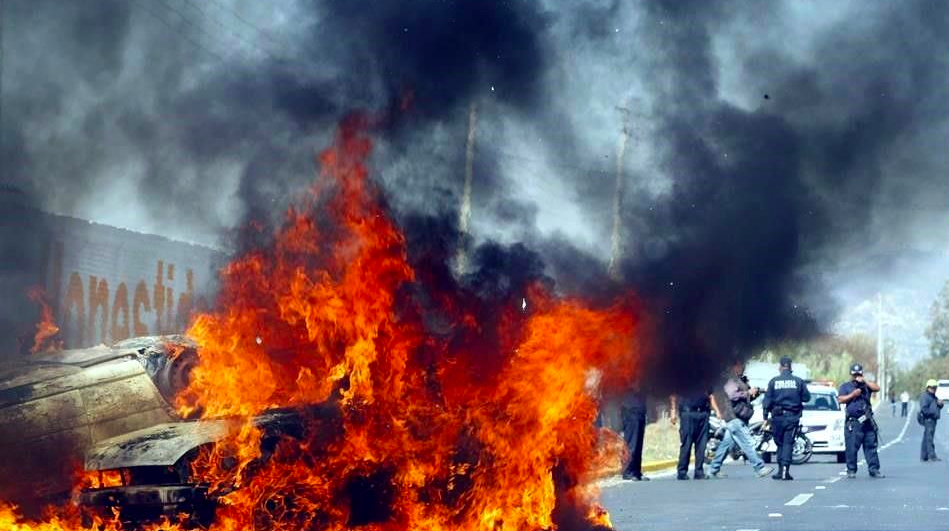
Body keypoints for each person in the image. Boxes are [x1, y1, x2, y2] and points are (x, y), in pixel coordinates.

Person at [708, 360, 774, 479]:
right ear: (734, 366)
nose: (743, 367)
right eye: (740, 365)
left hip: (738, 417)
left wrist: (757, 392)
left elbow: (745, 398)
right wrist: (747, 392)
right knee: (746, 443)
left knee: (726, 445)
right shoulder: (731, 380)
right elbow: (732, 395)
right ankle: (759, 468)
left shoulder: (740, 380)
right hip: (734, 417)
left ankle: (713, 468)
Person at [762, 356, 810, 480]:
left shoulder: (773, 381)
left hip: (777, 418)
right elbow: (806, 398)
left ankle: (780, 471)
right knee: (788, 443)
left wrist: (765, 416)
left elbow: (767, 400)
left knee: (780, 444)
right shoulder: (798, 381)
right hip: (792, 417)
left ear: (780, 366)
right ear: (790, 366)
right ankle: (785, 471)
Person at [838, 363, 884, 478]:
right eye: (855, 375)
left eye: (859, 374)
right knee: (851, 448)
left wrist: (865, 381)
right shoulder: (846, 386)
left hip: (867, 421)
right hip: (853, 423)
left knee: (871, 447)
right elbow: (840, 399)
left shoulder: (866, 386)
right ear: (851, 375)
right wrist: (853, 394)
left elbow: (877, 388)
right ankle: (851, 470)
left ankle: (874, 469)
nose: (857, 377)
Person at [670, 388, 722, 480]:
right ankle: (682, 471)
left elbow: (711, 396)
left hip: (703, 414)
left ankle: (699, 472)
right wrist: (673, 411)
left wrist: (717, 410)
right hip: (688, 413)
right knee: (687, 443)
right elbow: (673, 394)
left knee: (702, 444)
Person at [621, 385, 650, 480]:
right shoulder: (628, 372)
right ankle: (627, 471)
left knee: (638, 444)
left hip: (640, 410)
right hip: (631, 409)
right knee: (631, 443)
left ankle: (637, 472)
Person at [919, 379, 944, 462]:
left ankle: (924, 456)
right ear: (928, 387)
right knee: (929, 438)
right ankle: (931, 456)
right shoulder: (925, 396)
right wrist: (933, 413)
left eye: (935, 387)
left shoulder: (933, 396)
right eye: (932, 388)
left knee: (926, 437)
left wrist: (940, 404)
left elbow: (937, 406)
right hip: (929, 419)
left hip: (933, 419)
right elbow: (924, 409)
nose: (934, 389)